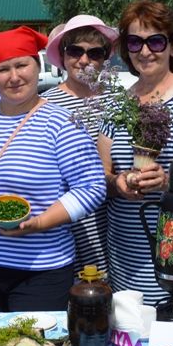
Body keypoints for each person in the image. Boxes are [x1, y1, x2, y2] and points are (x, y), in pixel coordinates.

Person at [0, 26, 106, 311]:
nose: (14, 77)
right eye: (2, 69)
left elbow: (91, 187)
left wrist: (40, 222)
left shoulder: (62, 123)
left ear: (37, 67)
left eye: (21, 65)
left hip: (42, 268)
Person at [98, 0, 173, 304]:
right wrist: (119, 182)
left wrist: (167, 182)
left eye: (155, 40)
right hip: (124, 244)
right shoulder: (117, 104)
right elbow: (101, 174)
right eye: (135, 42)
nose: (145, 51)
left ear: (172, 46)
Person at [41, 14, 118, 274]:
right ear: (62, 55)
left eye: (94, 53)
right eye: (75, 51)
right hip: (66, 217)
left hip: (114, 216)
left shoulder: (118, 102)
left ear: (105, 59)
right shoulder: (45, 104)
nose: (84, 60)